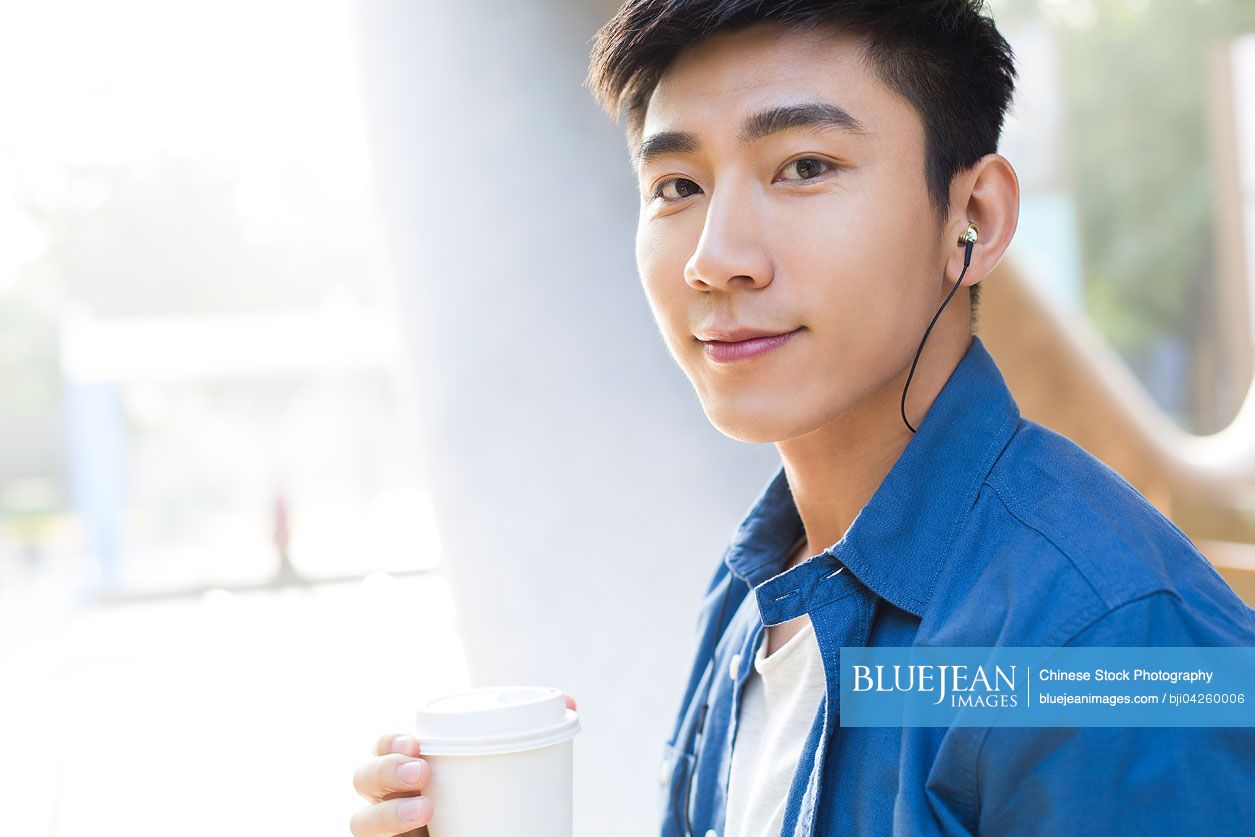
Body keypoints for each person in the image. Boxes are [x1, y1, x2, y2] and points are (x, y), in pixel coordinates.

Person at [351, 1, 1255, 834]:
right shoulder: (757, 586)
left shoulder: (1104, 642)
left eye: (804, 167)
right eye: (675, 185)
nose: (716, 259)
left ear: (971, 215)